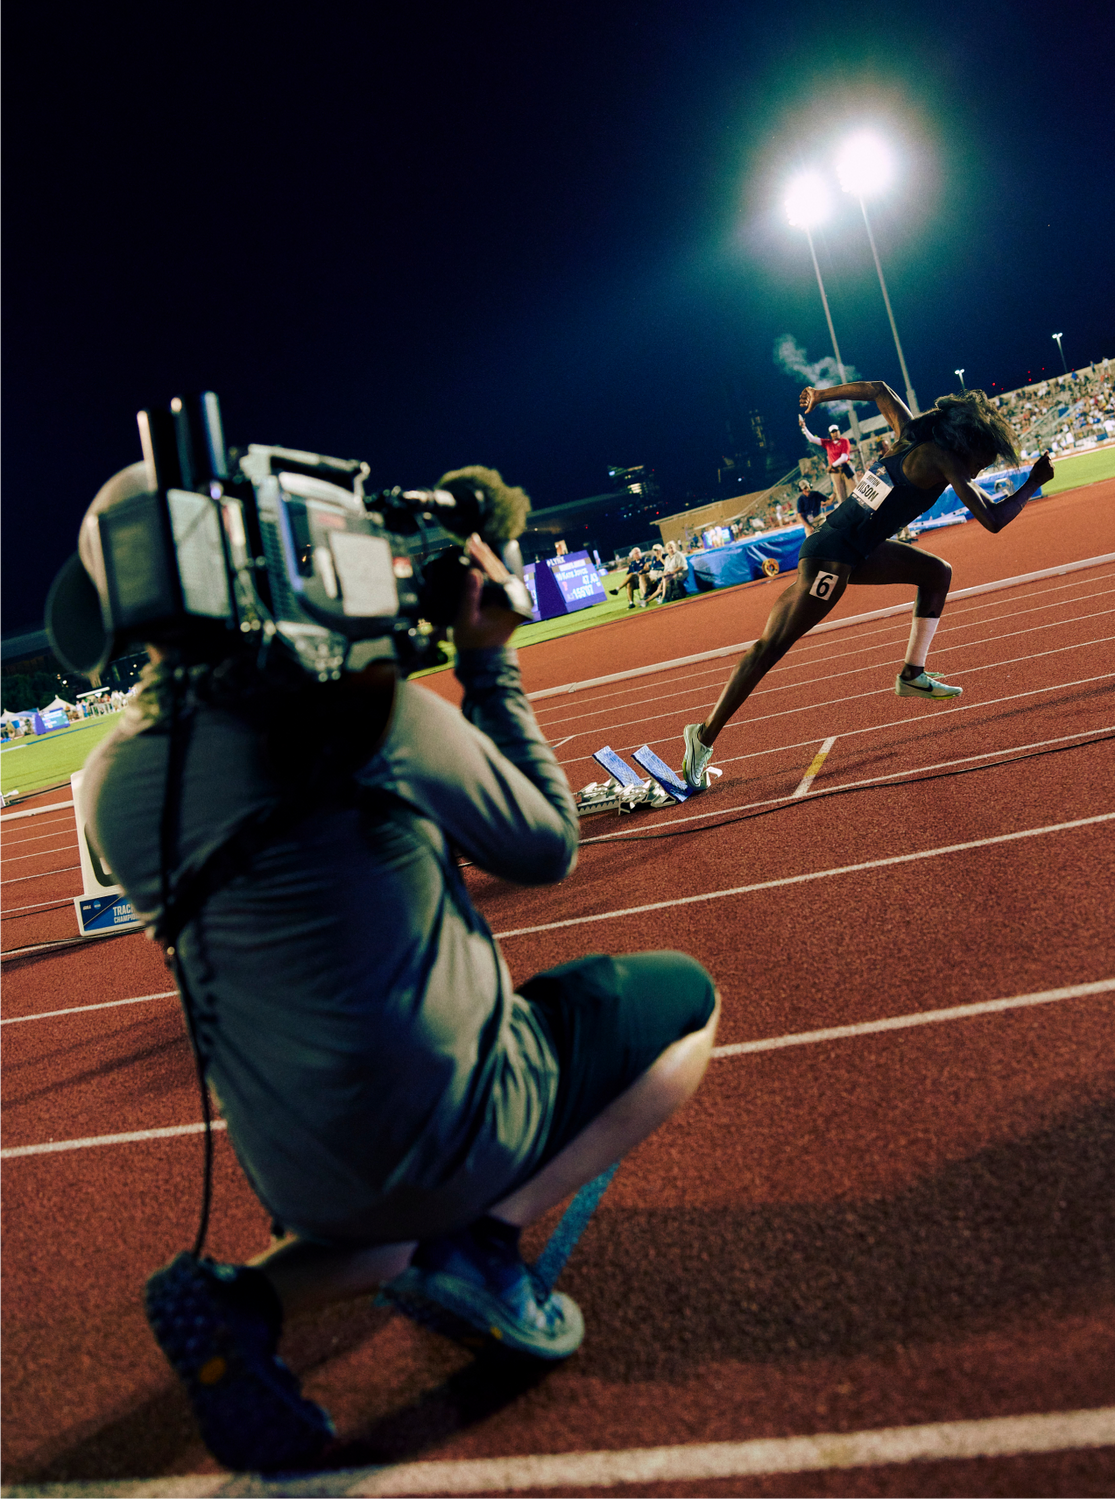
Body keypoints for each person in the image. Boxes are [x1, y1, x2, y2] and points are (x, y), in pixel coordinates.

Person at [59, 463, 719, 1471]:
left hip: (292, 1169)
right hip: (450, 1126)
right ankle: (484, 1240)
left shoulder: (111, 780)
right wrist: (486, 661)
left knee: (376, 1163)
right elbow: (547, 847)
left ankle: (252, 1294)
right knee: (684, 998)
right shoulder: (376, 718)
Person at [678, 381, 1053, 789]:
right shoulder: (941, 458)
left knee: (936, 573)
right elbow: (994, 520)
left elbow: (878, 390)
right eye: (985, 459)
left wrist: (821, 396)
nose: (982, 468)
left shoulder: (912, 436)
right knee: (769, 649)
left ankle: (912, 674)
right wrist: (1033, 482)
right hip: (832, 558)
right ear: (968, 442)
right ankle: (703, 736)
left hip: (853, 549)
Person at [799, 412, 855, 504]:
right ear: (830, 434)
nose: (835, 433)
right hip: (835, 471)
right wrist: (804, 428)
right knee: (840, 494)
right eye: (833, 432)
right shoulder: (828, 443)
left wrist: (831, 465)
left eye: (836, 431)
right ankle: (846, 513)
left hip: (845, 467)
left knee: (854, 489)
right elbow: (812, 439)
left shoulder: (844, 441)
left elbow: (844, 457)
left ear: (839, 431)